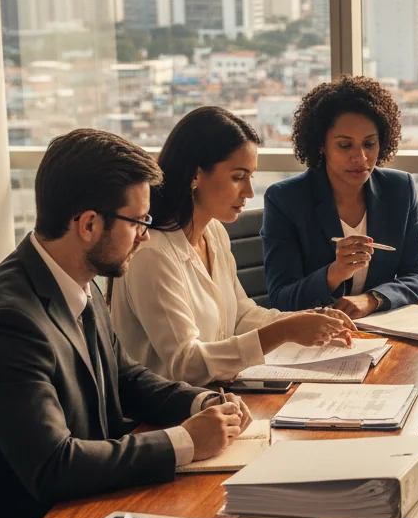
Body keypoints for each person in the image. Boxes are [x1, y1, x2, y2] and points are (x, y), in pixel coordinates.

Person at [0, 130, 254, 518]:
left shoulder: (78, 279)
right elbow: (54, 466)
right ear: (89, 224)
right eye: (138, 222)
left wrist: (201, 402)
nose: (144, 237)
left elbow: (125, 376)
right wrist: (186, 441)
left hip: (95, 515)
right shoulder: (11, 319)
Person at [111, 107, 354, 386]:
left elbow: (240, 316)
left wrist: (308, 320)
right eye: (238, 177)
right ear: (195, 175)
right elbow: (186, 364)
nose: (250, 192)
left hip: (216, 397)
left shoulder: (213, 233)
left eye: (250, 177)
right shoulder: (152, 254)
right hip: (164, 416)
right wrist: (285, 331)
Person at [261, 76, 418, 317]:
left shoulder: (399, 189)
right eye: (345, 146)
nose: (361, 158)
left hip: (380, 332)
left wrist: (372, 299)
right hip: (314, 338)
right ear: (321, 145)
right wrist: (335, 272)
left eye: (369, 144)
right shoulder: (286, 200)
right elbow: (281, 298)